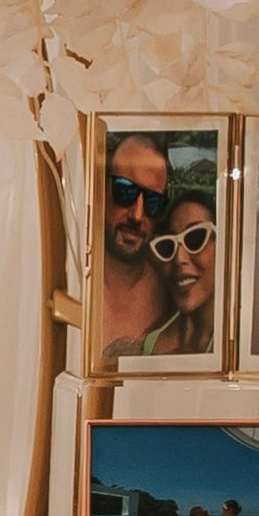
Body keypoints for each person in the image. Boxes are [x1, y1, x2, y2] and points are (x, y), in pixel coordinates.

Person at [91, 131, 180, 356]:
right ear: (102, 189)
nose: (137, 215)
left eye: (152, 201)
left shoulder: (174, 299)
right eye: (125, 191)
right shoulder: (72, 279)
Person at [107, 189, 220, 359]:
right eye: (168, 246)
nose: (179, 258)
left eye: (195, 238)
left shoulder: (236, 348)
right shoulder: (148, 346)